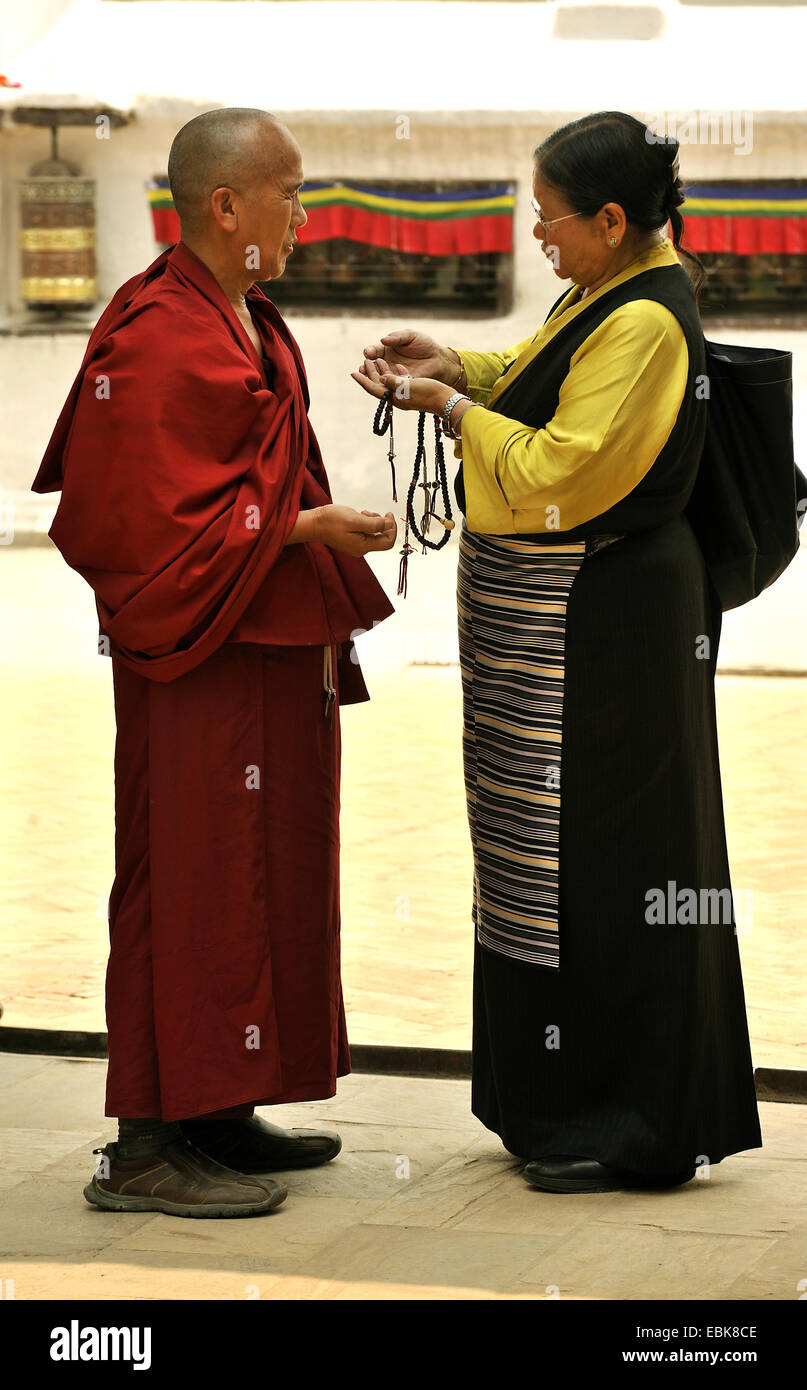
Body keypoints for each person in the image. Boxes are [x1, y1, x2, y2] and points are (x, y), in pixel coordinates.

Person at [353, 111, 762, 1194]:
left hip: (614, 625)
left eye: (551, 221)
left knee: (614, 865)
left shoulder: (648, 322)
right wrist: (457, 367)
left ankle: (634, 1124)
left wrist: (448, 407)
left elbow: (561, 469)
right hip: (567, 627)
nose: (540, 239)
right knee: (551, 864)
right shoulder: (603, 294)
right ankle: (560, 1101)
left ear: (614, 219)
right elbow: (538, 376)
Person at [32, 108, 397, 1218]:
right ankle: (146, 1143)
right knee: (190, 877)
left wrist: (305, 523)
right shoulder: (153, 332)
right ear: (224, 205)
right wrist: (311, 529)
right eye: (289, 191)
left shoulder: (239, 313)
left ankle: (220, 1108)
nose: (305, 210)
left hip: (265, 648)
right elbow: (141, 521)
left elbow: (246, 478)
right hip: (195, 654)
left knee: (267, 870)